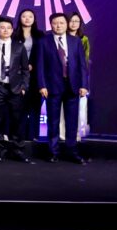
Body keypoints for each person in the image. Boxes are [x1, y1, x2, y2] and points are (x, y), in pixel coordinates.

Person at [36, 13, 89, 165]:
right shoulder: (43, 41)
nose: (58, 25)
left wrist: (84, 85)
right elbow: (40, 65)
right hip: (52, 86)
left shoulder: (75, 41)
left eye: (61, 23)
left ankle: (72, 152)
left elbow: (82, 65)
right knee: (53, 122)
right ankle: (53, 152)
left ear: (66, 24)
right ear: (50, 24)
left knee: (72, 122)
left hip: (73, 86)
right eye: (55, 23)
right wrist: (42, 85)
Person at [0, 17, 30, 162]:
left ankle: (18, 150)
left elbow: (25, 69)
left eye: (8, 28)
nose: (5, 30)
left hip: (15, 88)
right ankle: (0, 150)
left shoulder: (19, 46)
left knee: (17, 120)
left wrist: (24, 86)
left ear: (12, 30)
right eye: (2, 27)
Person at [14, 8, 46, 141]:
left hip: (35, 76)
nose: (27, 19)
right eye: (24, 16)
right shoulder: (14, 34)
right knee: (19, 106)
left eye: (30, 16)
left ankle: (33, 135)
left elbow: (43, 54)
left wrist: (32, 64)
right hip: (17, 75)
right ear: (20, 18)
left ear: (34, 19)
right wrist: (21, 66)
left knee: (35, 106)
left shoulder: (40, 35)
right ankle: (18, 135)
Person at [66, 12, 91, 141]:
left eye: (77, 21)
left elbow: (84, 61)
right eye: (71, 21)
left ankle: (77, 133)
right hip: (62, 76)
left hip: (77, 77)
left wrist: (84, 83)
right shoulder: (60, 37)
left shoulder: (83, 39)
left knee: (78, 108)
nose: (74, 23)